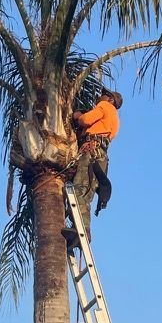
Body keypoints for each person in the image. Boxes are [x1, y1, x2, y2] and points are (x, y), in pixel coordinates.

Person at [63, 88, 122, 245]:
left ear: (110, 100)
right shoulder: (115, 119)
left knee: (77, 190)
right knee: (86, 195)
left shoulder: (105, 106)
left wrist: (78, 116)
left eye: (104, 95)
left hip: (91, 151)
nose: (99, 96)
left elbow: (85, 120)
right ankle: (83, 230)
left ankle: (81, 229)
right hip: (101, 157)